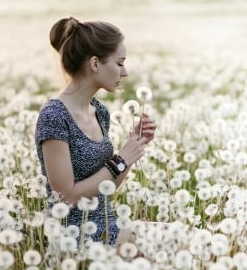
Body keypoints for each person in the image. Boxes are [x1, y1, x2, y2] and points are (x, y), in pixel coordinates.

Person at [35, 16, 157, 245]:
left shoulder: (100, 112)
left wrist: (135, 145)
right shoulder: (54, 117)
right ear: (94, 64)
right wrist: (120, 159)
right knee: (171, 245)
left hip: (109, 224)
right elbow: (66, 198)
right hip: (75, 235)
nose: (125, 72)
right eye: (120, 63)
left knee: (185, 238)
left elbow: (107, 186)